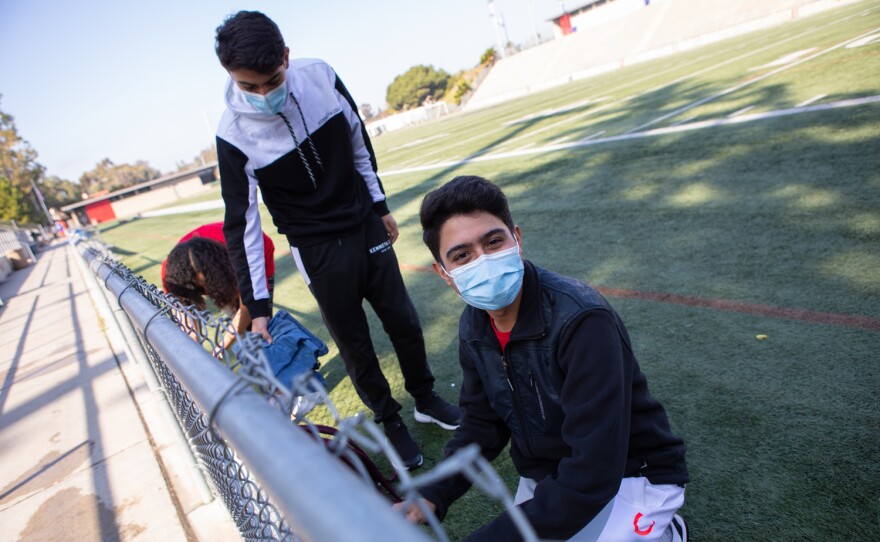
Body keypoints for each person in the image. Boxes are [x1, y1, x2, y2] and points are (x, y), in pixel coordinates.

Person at [213, 10, 459, 469]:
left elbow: (357, 140)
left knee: (403, 319)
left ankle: (425, 397)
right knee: (355, 343)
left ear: (286, 57)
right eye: (250, 87)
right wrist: (258, 306)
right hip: (317, 249)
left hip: (364, 224)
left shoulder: (319, 76)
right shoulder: (232, 134)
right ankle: (390, 421)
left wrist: (380, 205)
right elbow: (242, 221)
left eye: (272, 79)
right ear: (230, 75)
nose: (264, 94)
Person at [397, 176, 690, 541]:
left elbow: (593, 471)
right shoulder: (474, 324)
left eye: (493, 241)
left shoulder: (582, 320)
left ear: (516, 239)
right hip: (548, 474)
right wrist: (432, 493)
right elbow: (481, 426)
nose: (483, 261)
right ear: (444, 273)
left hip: (631, 471)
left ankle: (667, 532)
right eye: (462, 256)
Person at [161, 222, 275, 349]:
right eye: (199, 285)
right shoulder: (171, 275)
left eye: (207, 282)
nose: (206, 289)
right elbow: (185, 320)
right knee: (236, 319)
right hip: (220, 263)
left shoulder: (239, 256)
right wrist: (195, 350)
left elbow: (249, 306)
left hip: (254, 252)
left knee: (259, 323)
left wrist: (221, 348)